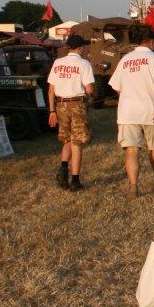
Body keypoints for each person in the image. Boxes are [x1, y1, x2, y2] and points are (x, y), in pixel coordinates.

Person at [109, 24, 154, 195]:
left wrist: (128, 97)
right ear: (151, 42)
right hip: (152, 110)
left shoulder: (125, 60)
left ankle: (133, 186)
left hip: (128, 112)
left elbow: (116, 86)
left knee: (132, 150)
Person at [47, 33, 95, 191]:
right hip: (77, 104)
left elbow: (51, 90)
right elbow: (89, 89)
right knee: (77, 142)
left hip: (60, 105)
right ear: (80, 48)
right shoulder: (84, 64)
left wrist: (52, 111)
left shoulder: (58, 62)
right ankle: (75, 180)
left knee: (67, 139)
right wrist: (91, 96)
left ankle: (63, 169)